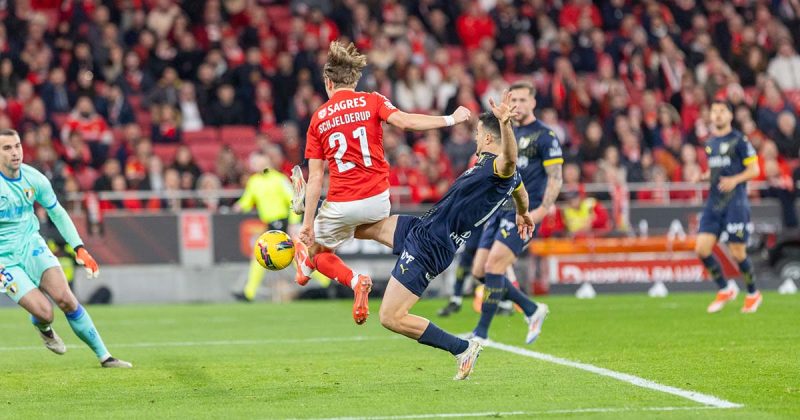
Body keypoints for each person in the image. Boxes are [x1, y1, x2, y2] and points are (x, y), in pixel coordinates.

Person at [355, 95, 535, 380]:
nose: (475, 139)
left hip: (432, 246)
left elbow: (511, 160)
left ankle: (462, 348)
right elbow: (521, 192)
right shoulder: (499, 172)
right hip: (422, 228)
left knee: (391, 317)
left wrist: (505, 123)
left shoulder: (499, 169)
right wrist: (523, 214)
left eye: (477, 135)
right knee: (358, 227)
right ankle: (314, 238)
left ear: (489, 138)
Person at [291, 41, 470, 325]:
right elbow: (405, 122)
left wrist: (308, 223)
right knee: (361, 229)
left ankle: (350, 279)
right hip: (378, 201)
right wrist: (451, 119)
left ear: (328, 82)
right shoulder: (372, 100)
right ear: (355, 79)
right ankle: (414, 248)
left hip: (341, 202)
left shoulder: (319, 118)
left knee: (316, 254)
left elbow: (315, 178)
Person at [0, 129, 131, 368]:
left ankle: (105, 357)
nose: (15, 153)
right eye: (7, 148)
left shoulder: (34, 178)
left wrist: (79, 247)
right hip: (3, 260)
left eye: (17, 146)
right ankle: (44, 327)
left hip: (31, 245)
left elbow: (57, 212)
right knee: (45, 312)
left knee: (67, 300)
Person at [467, 81, 562, 343]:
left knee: (494, 266)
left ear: (533, 102)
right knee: (480, 271)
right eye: (514, 100)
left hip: (522, 211)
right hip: (498, 209)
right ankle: (532, 309)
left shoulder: (545, 136)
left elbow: (555, 178)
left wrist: (541, 209)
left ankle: (481, 333)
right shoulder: (507, 132)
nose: (518, 105)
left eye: (522, 100)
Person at [696, 100, 762, 314]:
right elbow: (717, 171)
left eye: (722, 111)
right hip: (714, 203)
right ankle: (725, 289)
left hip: (736, 202)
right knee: (702, 249)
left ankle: (753, 293)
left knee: (737, 252)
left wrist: (734, 180)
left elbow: (754, 170)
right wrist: (704, 176)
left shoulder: (740, 140)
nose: (717, 115)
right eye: (714, 111)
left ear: (730, 116)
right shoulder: (710, 144)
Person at [232, 152, 300, 302]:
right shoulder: (254, 181)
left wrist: (294, 222)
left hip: (283, 222)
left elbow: (293, 200)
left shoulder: (279, 179)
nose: (257, 165)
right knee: (265, 256)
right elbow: (247, 200)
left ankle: (249, 292)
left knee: (295, 257)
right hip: (270, 224)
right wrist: (239, 206)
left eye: (259, 162)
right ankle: (249, 293)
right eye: (255, 163)